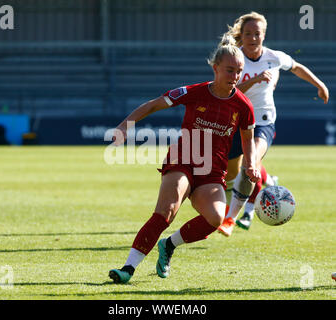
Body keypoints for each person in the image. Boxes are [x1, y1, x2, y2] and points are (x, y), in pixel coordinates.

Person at [108, 36, 260, 284]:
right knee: (167, 211)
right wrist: (125, 126)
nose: (235, 76)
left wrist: (251, 164)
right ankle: (128, 268)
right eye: (229, 70)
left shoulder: (244, 106)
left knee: (215, 219)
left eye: (239, 72)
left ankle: (168, 245)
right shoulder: (194, 92)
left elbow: (247, 139)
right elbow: (153, 105)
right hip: (183, 160)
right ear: (215, 68)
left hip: (212, 172)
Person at [217, 11, 329, 237]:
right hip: (236, 123)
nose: (253, 38)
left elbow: (296, 66)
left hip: (262, 122)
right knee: (229, 175)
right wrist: (257, 80)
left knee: (251, 164)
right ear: (242, 35)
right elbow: (229, 91)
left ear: (264, 35)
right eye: (248, 33)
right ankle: (260, 186)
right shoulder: (235, 59)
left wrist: (320, 84)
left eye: (257, 33)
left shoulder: (273, 56)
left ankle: (232, 218)